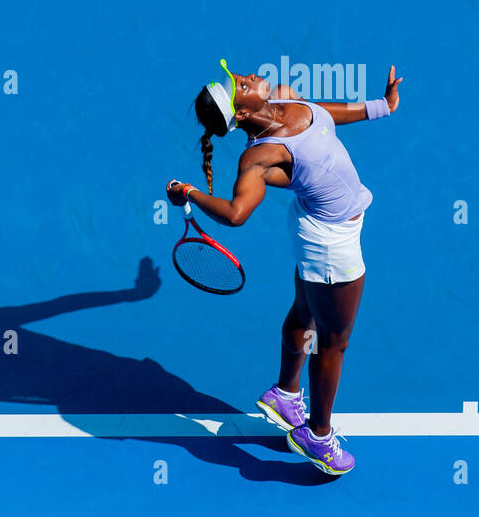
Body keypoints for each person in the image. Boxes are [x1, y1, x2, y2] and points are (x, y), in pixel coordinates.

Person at [166, 59, 401, 475]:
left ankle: (286, 395)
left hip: (315, 223)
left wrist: (382, 106)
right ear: (240, 112)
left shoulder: (281, 100)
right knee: (334, 341)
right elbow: (237, 212)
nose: (247, 77)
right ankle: (318, 436)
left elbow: (327, 114)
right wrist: (191, 192)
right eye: (240, 84)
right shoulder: (260, 156)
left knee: (304, 312)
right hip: (330, 243)